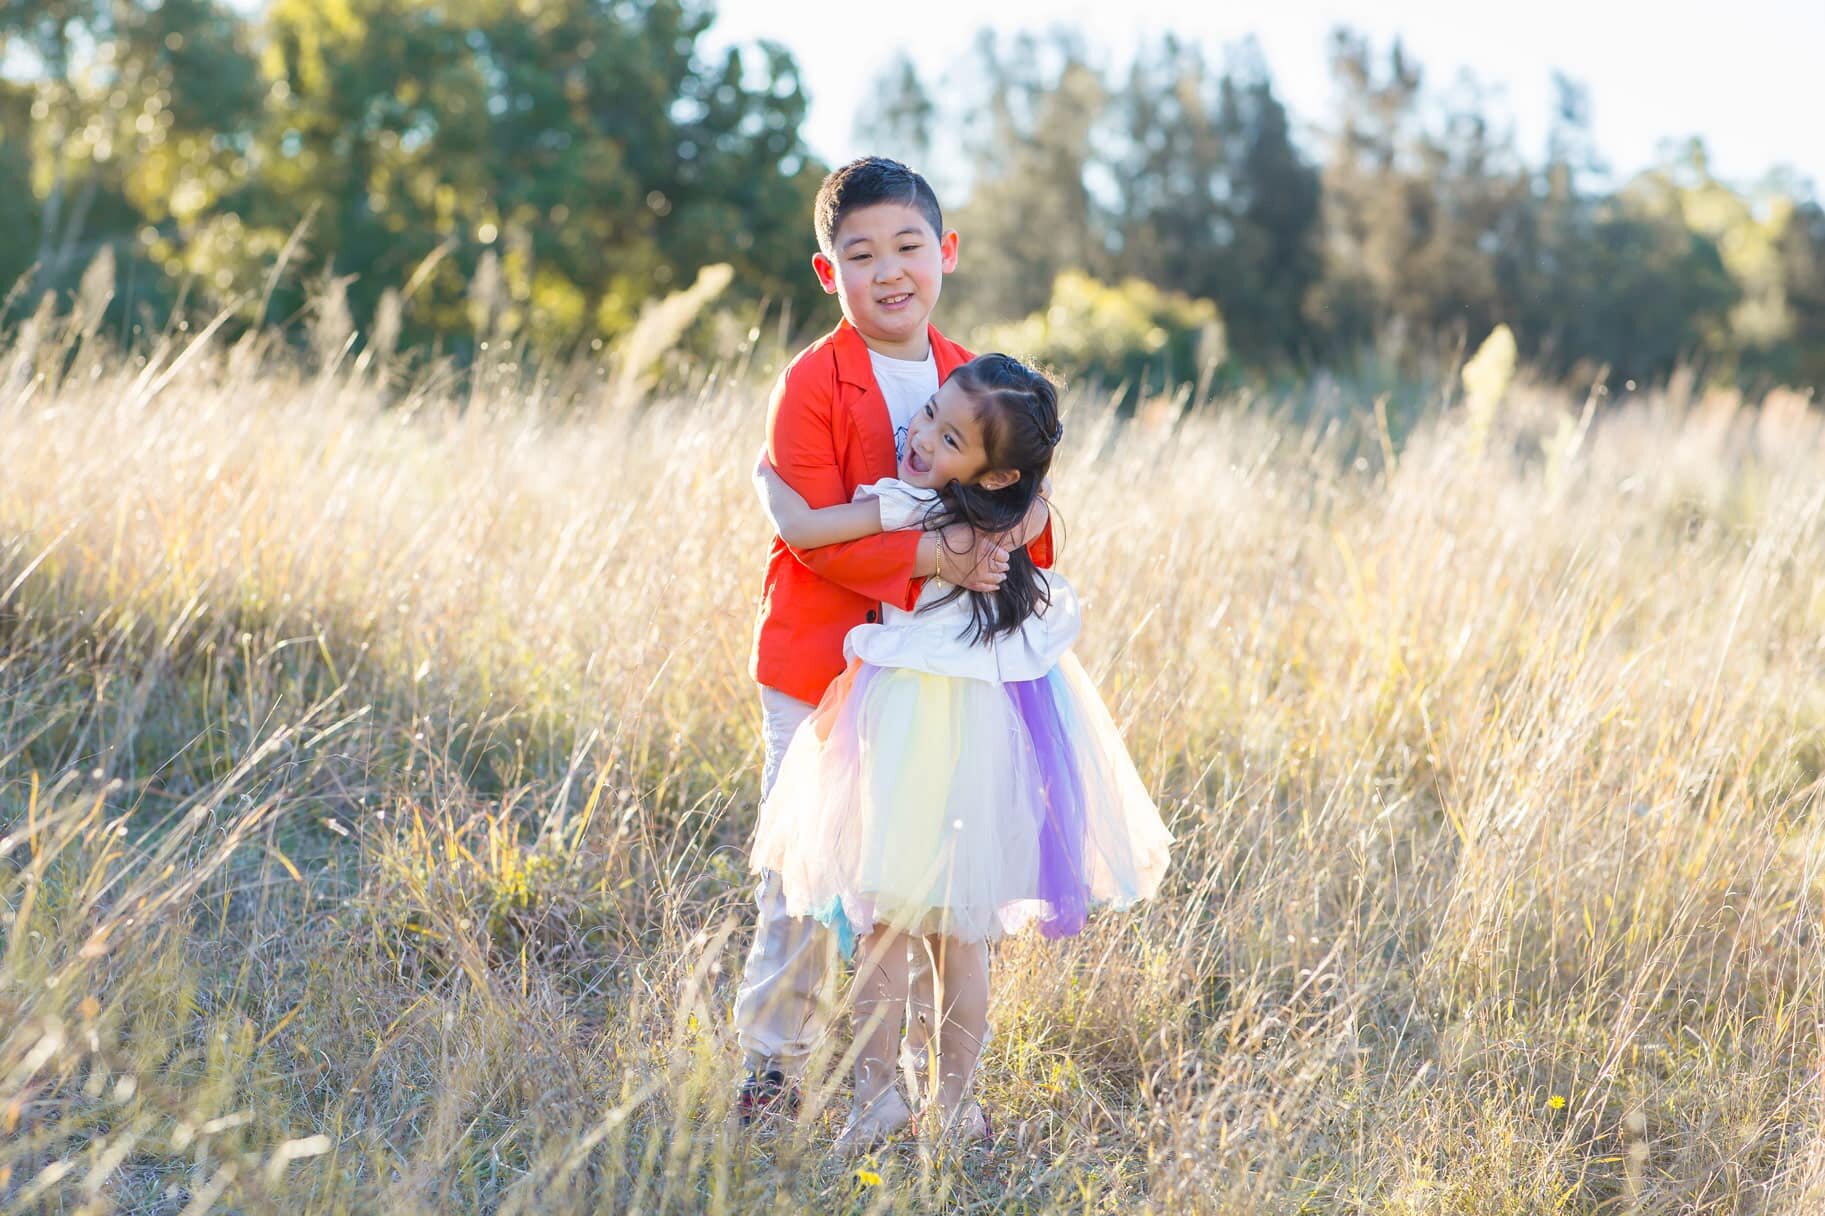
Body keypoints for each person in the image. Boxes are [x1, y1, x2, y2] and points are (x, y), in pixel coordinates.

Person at [750, 354, 1173, 1149]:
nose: (920, 438)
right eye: (928, 416)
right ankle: (947, 1105)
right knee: (953, 932)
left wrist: (767, 484)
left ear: (991, 471)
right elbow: (1036, 502)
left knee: (891, 929)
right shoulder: (1019, 516)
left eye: (947, 436)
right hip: (985, 730)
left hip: (911, 723)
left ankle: (893, 1103)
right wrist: (1013, 497)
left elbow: (808, 530)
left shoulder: (909, 504)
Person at [735, 157, 1058, 1124]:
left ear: (944, 254)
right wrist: (929, 553)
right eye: (861, 253)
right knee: (806, 875)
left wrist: (986, 537)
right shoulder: (811, 382)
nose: (889, 271)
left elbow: (1029, 504)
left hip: (936, 683)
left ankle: (917, 1086)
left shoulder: (977, 377)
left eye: (908, 247)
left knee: (920, 885)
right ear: (827, 272)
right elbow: (814, 537)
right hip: (820, 663)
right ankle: (774, 1068)